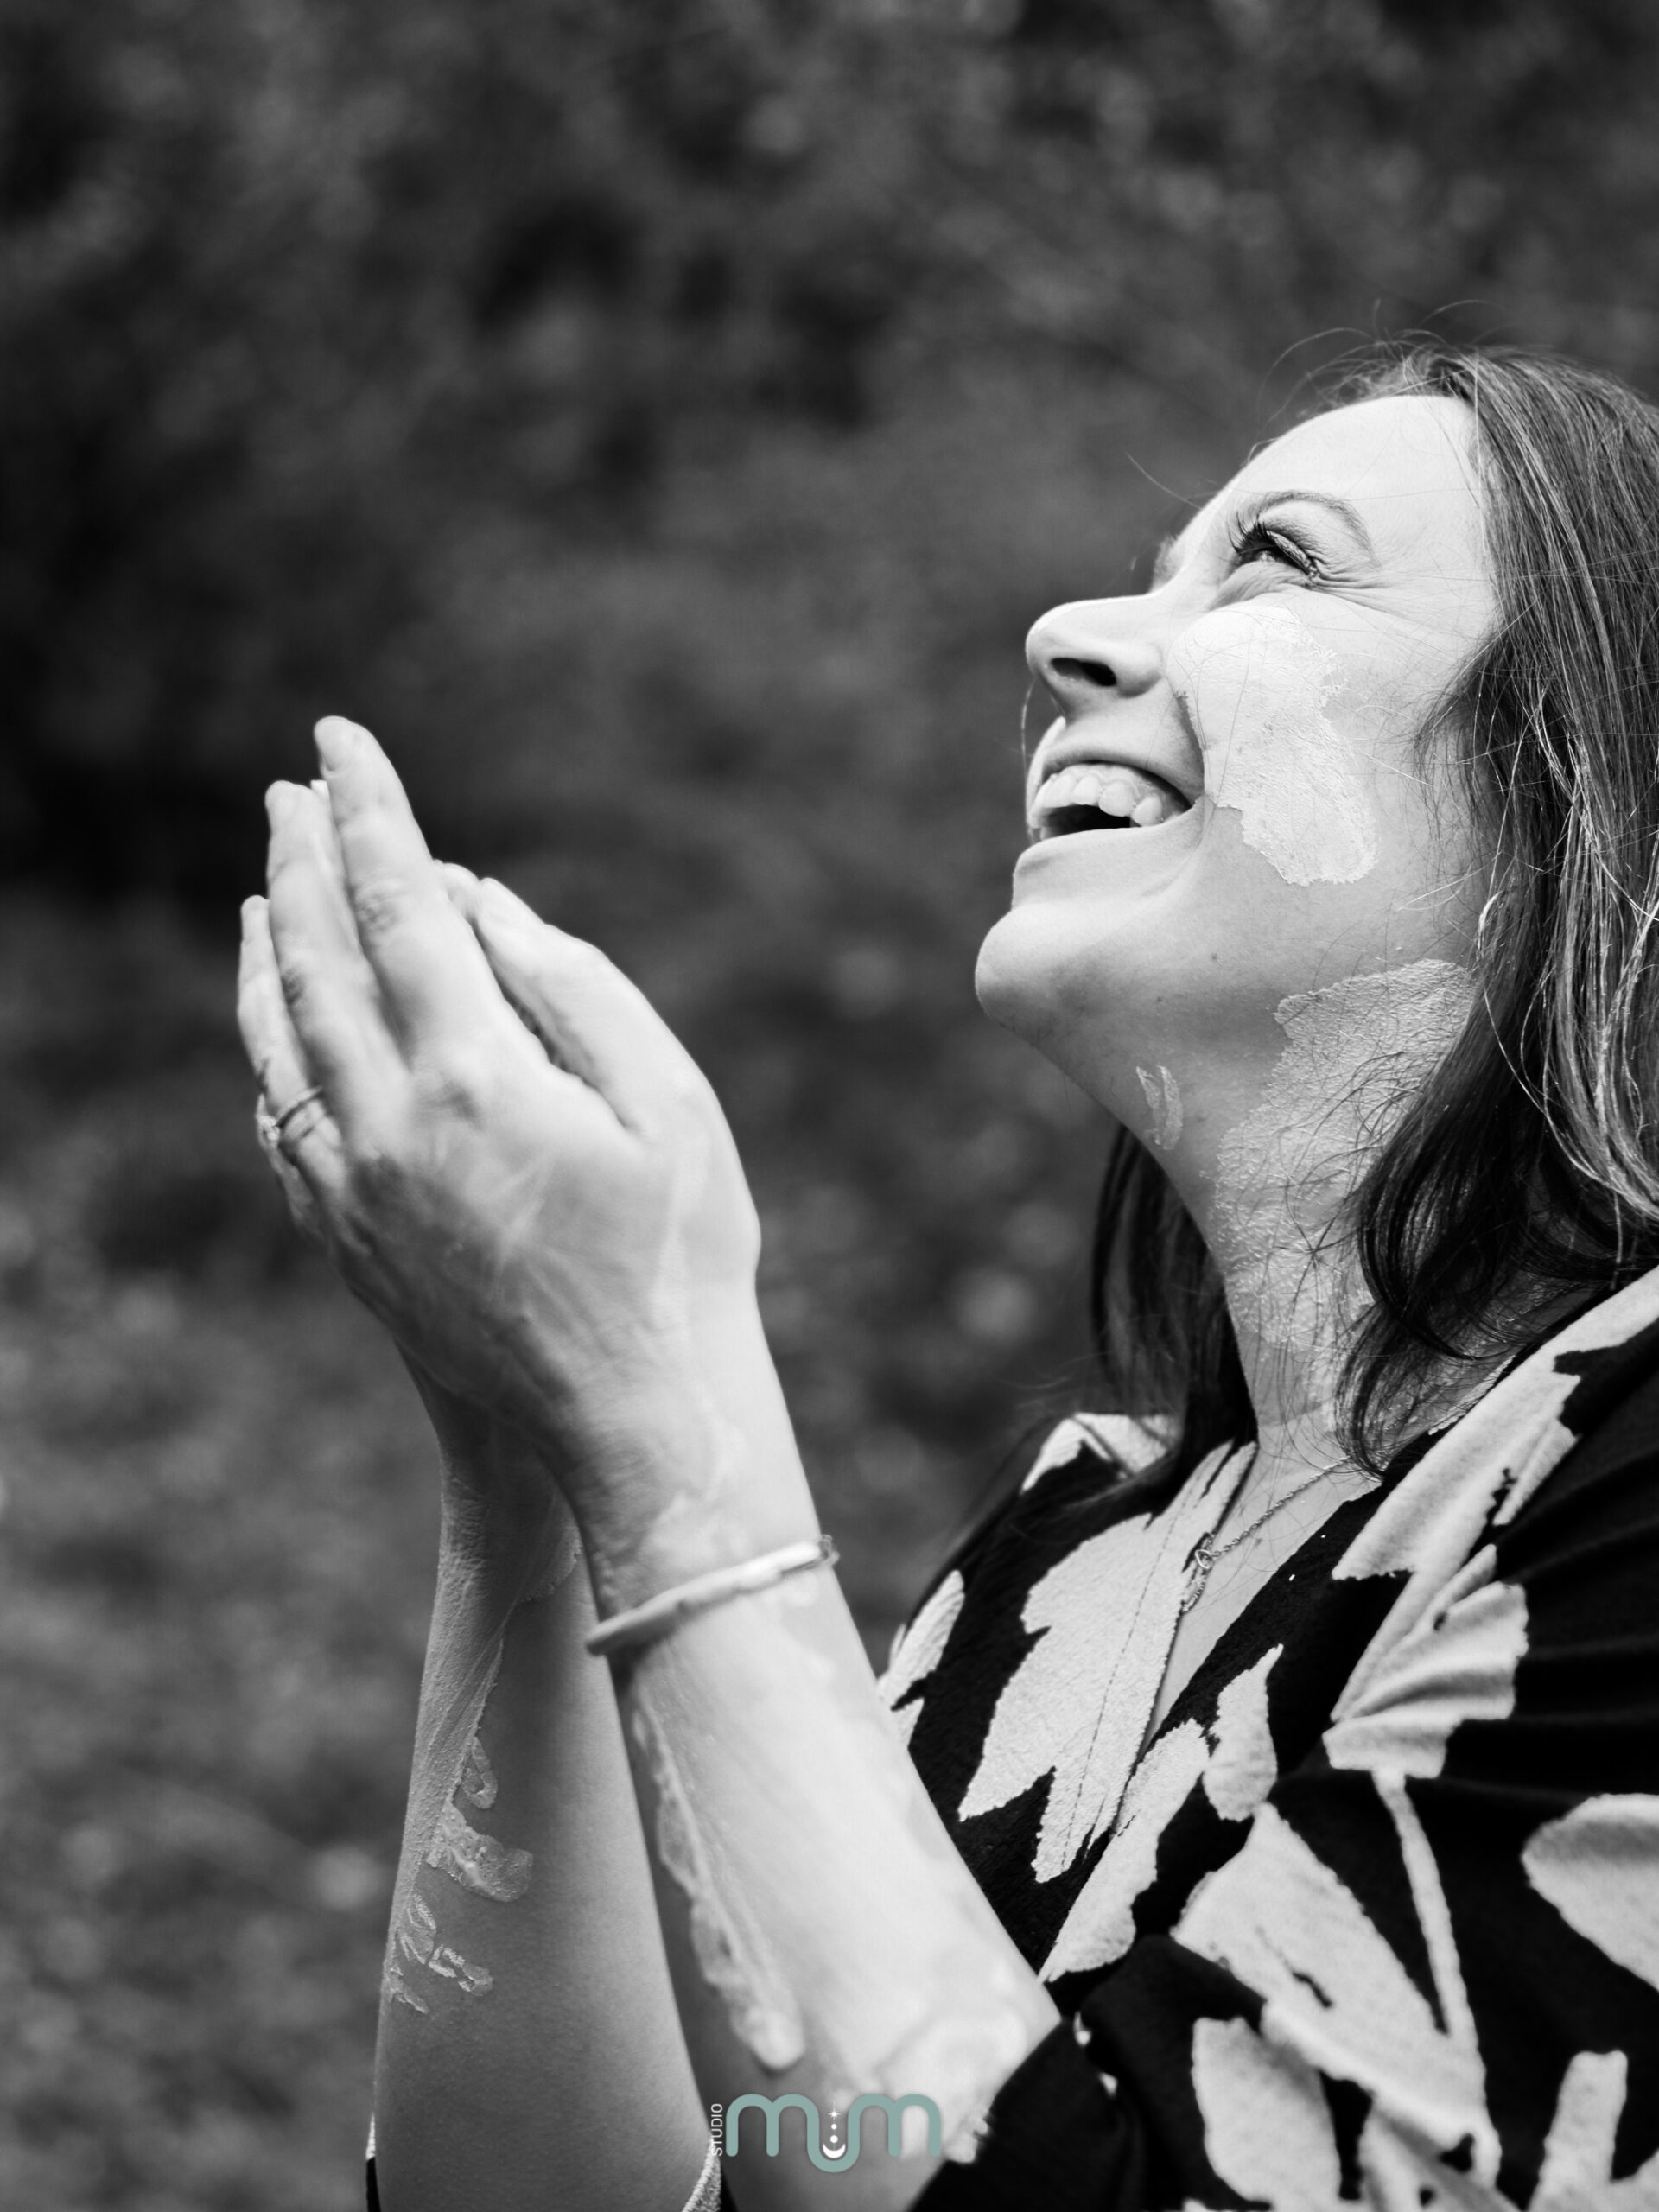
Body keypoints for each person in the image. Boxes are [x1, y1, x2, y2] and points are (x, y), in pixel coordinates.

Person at [237, 341, 1659, 2211]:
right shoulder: (1068, 1556)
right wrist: (535, 1439)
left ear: (1590, 785)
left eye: (1280, 560)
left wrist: (669, 1402)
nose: (1067, 637)